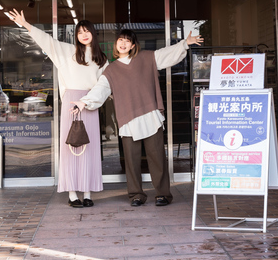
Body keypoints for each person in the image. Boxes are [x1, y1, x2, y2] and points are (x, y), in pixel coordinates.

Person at [74, 28, 203, 207]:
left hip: (150, 114)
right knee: (131, 160)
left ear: (133, 45)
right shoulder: (111, 70)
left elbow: (166, 54)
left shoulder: (146, 58)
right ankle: (136, 194)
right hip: (128, 119)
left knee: (157, 157)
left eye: (128, 41)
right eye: (121, 40)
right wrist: (84, 102)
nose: (123, 43)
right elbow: (101, 89)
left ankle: (163, 194)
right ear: (116, 44)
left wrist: (184, 44)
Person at [4, 9, 107, 208]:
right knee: (71, 147)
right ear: (76, 36)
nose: (84, 35)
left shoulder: (101, 58)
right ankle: (72, 193)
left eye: (87, 31)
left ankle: (87, 192)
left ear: (93, 33)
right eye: (80, 32)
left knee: (90, 148)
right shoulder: (68, 51)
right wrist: (25, 24)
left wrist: (86, 101)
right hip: (71, 102)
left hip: (90, 103)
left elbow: (104, 86)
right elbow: (47, 41)